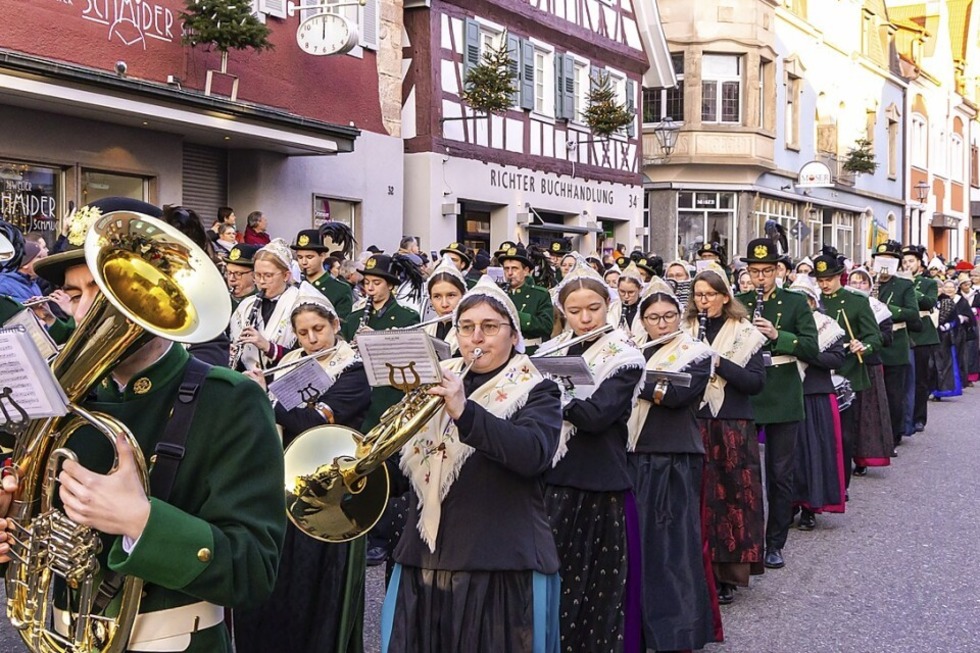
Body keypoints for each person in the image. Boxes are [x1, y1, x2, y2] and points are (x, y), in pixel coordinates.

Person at [0, 197, 285, 653]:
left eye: (103, 289)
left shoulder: (231, 400)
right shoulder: (60, 402)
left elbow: (254, 571)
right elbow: (36, 542)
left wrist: (142, 521)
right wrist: (12, 523)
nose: (83, 314)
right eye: (74, 296)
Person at [382, 277, 563, 652]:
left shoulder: (537, 387)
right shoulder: (435, 379)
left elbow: (533, 454)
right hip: (425, 556)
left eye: (489, 327)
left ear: (514, 336)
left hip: (496, 561)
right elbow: (407, 464)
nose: (476, 338)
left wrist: (465, 412)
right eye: (466, 328)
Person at [236, 296, 371, 653]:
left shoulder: (354, 370)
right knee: (278, 583)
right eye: (303, 333)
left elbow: (311, 423)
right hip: (282, 483)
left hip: (327, 495)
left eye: (319, 329)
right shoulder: (290, 363)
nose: (312, 339)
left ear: (336, 325)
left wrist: (268, 398)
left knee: (313, 589)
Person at [537, 262, 645, 652]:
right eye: (576, 310)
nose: (585, 318)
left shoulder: (624, 356)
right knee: (555, 577)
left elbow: (597, 416)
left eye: (594, 308)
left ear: (608, 305)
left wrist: (550, 396)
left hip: (601, 480)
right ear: (563, 311)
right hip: (554, 474)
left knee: (598, 587)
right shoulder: (551, 350)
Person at [630, 277, 719, 649]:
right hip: (635, 454)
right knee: (640, 547)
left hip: (676, 457)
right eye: (653, 317)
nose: (662, 323)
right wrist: (652, 384)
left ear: (679, 318)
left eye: (669, 316)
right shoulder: (633, 350)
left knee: (673, 548)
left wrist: (637, 382)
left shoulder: (695, 352)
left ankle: (677, 631)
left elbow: (678, 396)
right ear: (643, 320)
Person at [685, 264, 767, 605]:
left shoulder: (745, 332)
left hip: (732, 422)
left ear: (725, 297)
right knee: (699, 497)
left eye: (710, 295)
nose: (704, 302)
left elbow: (756, 383)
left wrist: (718, 362)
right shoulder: (686, 328)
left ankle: (727, 576)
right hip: (694, 419)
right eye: (698, 295)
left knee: (731, 498)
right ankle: (696, 568)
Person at [736, 238, 818, 570]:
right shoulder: (738, 301)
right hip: (748, 392)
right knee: (746, 472)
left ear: (778, 271)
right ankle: (748, 540)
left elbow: (812, 348)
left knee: (780, 474)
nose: (760, 278)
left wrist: (776, 335)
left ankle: (775, 542)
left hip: (783, 392)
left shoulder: (796, 303)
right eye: (754, 272)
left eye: (767, 271)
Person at [812, 255, 883, 491]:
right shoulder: (812, 303)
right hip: (819, 374)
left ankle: (841, 487)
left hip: (850, 373)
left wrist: (864, 345)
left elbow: (874, 336)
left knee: (844, 436)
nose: (824, 284)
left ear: (839, 277)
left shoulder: (857, 302)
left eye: (829, 279)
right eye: (820, 280)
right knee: (821, 437)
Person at [787, 274, 846, 530]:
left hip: (816, 394)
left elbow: (836, 359)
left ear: (812, 302)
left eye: (805, 300)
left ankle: (812, 506)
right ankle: (788, 505)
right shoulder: (782, 325)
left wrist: (807, 353)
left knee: (815, 452)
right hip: (788, 394)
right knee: (789, 455)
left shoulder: (827, 327)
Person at [229, 239, 319, 371]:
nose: (261, 282)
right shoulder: (246, 306)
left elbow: (310, 357)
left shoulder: (302, 304)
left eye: (268, 275)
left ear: (286, 275)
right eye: (257, 275)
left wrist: (268, 347)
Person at [846, 269, 896, 475]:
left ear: (869, 285)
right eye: (854, 282)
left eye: (862, 283)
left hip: (868, 364)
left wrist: (867, 340)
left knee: (866, 414)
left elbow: (887, 337)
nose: (858, 286)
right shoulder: (843, 305)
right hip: (846, 364)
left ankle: (863, 457)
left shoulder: (878, 308)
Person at [873, 242, 920, 447]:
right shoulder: (868, 283)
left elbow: (912, 313)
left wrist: (885, 308)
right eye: (880, 259)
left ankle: (894, 432)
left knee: (894, 393)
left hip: (895, 344)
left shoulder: (904, 285)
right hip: (872, 343)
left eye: (890, 260)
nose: (884, 264)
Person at [902, 245, 939, 432]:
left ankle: (919, 417)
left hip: (922, 334)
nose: (907, 265)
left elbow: (930, 302)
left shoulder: (928, 283)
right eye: (904, 262)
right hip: (904, 332)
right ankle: (904, 418)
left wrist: (910, 288)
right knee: (904, 379)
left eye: (911, 261)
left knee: (920, 379)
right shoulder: (898, 281)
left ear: (919, 264)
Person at [497, 245, 554, 354]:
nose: (509, 273)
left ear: (526, 271)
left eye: (514, 268)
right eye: (506, 268)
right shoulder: (498, 293)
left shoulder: (539, 294)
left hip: (529, 351)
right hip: (503, 351)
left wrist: (514, 316)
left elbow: (546, 326)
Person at [291, 229, 355, 321]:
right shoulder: (295, 289)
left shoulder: (341, 290)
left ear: (322, 256)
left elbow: (342, 328)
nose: (303, 262)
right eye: (300, 257)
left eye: (309, 257)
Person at [931, 279, 966, 399]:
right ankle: (930, 389)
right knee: (930, 364)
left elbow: (954, 319)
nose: (937, 290)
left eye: (939, 288)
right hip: (930, 335)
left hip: (944, 337)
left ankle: (941, 391)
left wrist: (947, 325)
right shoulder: (928, 301)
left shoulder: (947, 301)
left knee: (944, 364)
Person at [425, 254, 466, 355]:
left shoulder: (472, 333)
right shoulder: (426, 330)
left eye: (451, 295)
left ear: (463, 296)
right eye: (437, 297)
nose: (444, 304)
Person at [222, 243, 260, 310]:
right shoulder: (222, 299)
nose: (231, 279)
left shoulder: (260, 303)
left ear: (254, 275)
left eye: (238, 273)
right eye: (229, 272)